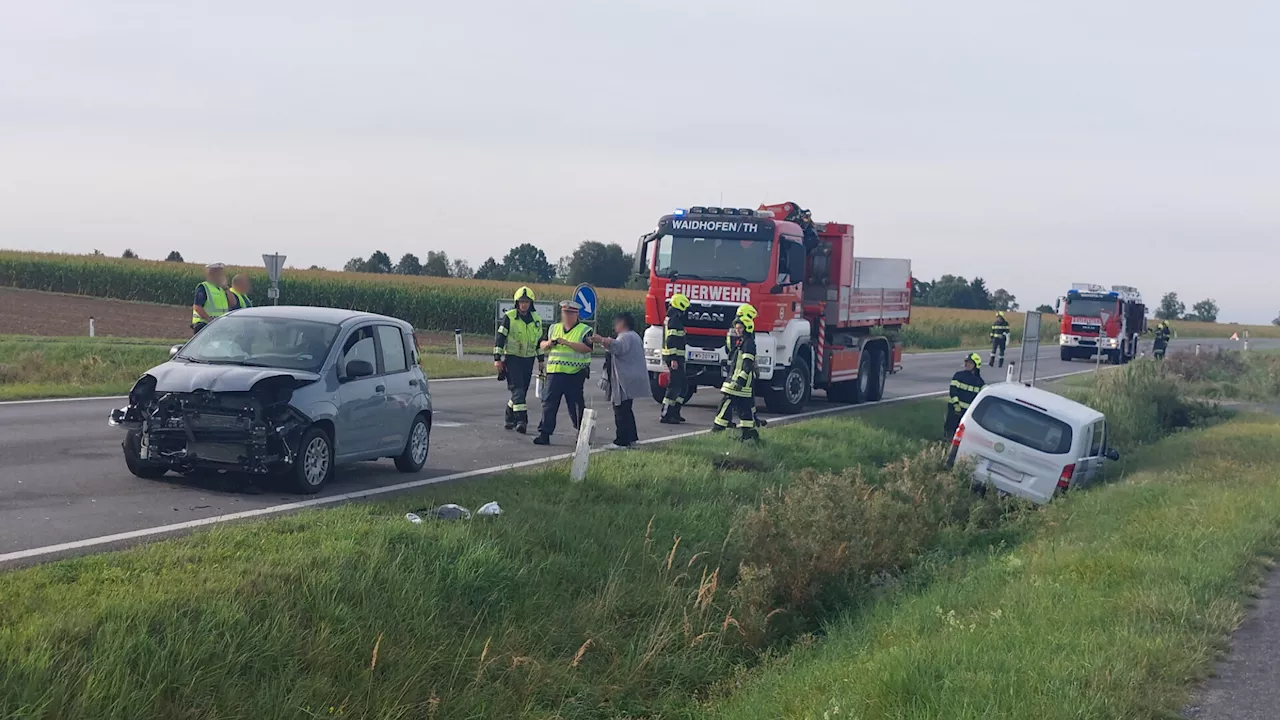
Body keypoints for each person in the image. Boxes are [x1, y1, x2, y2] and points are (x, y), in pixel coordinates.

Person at [533, 300, 594, 446]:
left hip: (575, 373)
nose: (567, 316)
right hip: (555, 373)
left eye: (570, 313)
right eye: (565, 313)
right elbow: (540, 343)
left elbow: (588, 347)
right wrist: (548, 344)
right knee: (549, 403)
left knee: (576, 405)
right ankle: (544, 433)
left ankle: (582, 433)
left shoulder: (584, 330)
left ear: (576, 314)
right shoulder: (554, 328)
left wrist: (566, 342)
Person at [592, 312, 648, 449]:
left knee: (620, 409)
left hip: (624, 380)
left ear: (623, 323)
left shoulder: (626, 337)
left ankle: (621, 441)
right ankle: (631, 438)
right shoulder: (635, 336)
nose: (614, 326)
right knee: (627, 409)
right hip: (632, 378)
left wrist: (602, 340)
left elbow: (617, 347)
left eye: (616, 323)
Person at [494, 286, 545, 434]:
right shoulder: (509, 317)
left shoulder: (536, 320)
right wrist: (497, 358)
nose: (524, 305)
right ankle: (521, 420)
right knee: (519, 390)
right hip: (513, 358)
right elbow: (500, 338)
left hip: (528, 360)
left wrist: (541, 360)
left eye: (527, 302)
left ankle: (509, 416)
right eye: (521, 302)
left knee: (520, 391)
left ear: (531, 303)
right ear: (517, 303)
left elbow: (538, 341)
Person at [714, 315, 759, 441]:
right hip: (741, 383)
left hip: (738, 382)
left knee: (726, 403)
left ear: (746, 328)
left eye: (740, 328)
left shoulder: (748, 343)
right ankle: (748, 433)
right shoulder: (744, 341)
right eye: (736, 328)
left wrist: (740, 380)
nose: (737, 330)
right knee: (744, 408)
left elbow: (747, 364)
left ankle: (717, 429)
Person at [726, 303, 766, 427]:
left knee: (748, 397)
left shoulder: (741, 327)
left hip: (741, 367)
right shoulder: (740, 329)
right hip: (739, 368)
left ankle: (754, 419)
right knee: (734, 398)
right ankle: (730, 421)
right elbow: (743, 351)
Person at [660, 293, 690, 424]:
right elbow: (671, 340)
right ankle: (666, 414)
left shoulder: (673, 317)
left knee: (683, 386)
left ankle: (675, 411)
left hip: (677, 357)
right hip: (674, 358)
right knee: (675, 386)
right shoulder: (674, 319)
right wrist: (673, 359)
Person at [945, 353, 985, 440]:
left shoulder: (980, 383)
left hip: (967, 413)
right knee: (950, 431)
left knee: (963, 436)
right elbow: (953, 391)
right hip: (954, 410)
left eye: (970, 363)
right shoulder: (959, 376)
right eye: (966, 362)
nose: (967, 364)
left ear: (976, 365)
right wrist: (956, 406)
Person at [191, 263, 231, 334]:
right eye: (219, 273)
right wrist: (210, 320)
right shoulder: (203, 287)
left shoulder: (221, 289)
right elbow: (197, 307)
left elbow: (233, 303)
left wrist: (226, 288)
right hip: (204, 325)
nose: (222, 275)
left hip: (218, 325)